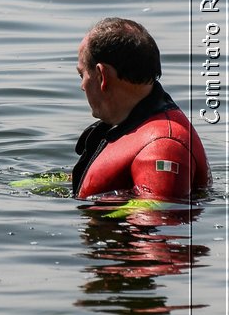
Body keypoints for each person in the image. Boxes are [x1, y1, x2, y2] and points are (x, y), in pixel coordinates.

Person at [73, 18, 211, 200]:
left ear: (101, 75)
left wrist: (104, 212)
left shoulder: (163, 146)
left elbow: (160, 213)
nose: (82, 85)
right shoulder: (131, 124)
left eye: (82, 74)